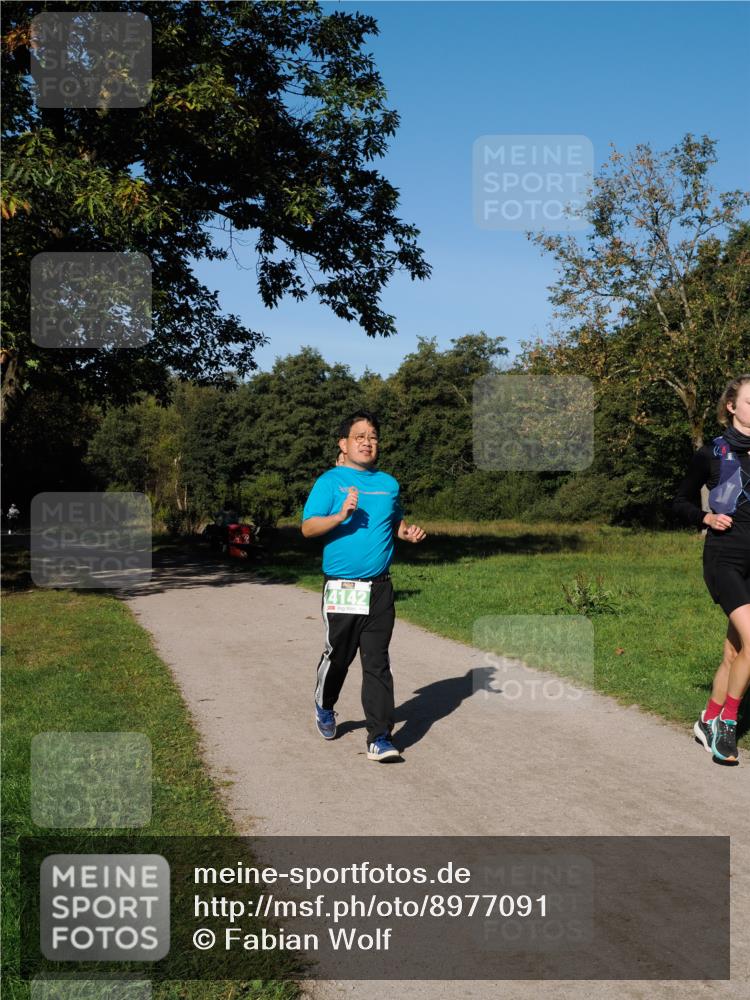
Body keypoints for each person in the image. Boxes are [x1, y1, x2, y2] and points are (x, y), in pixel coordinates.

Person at [301, 410, 427, 762]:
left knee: (377, 662)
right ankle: (324, 704)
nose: (368, 442)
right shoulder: (330, 482)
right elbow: (308, 528)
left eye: (373, 437)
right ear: (343, 444)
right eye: (360, 437)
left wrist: (407, 532)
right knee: (339, 657)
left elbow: (395, 521)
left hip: (380, 588)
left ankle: (380, 737)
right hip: (343, 587)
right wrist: (341, 515)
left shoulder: (389, 484)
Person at [673, 374, 750, 764]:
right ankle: (727, 724)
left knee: (735, 652)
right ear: (731, 407)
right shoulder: (712, 453)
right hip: (725, 559)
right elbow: (679, 502)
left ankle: (707, 720)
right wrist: (705, 517)